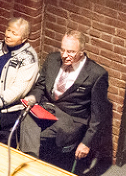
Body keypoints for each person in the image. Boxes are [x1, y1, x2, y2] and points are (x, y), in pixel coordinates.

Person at [21, 30, 112, 162]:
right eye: (62, 50)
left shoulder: (96, 74)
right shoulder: (52, 59)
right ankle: (30, 163)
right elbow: (40, 86)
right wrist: (33, 98)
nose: (64, 55)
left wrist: (86, 142)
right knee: (24, 118)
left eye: (71, 52)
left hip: (70, 120)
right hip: (45, 111)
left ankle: (27, 165)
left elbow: (98, 115)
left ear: (82, 51)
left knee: (35, 136)